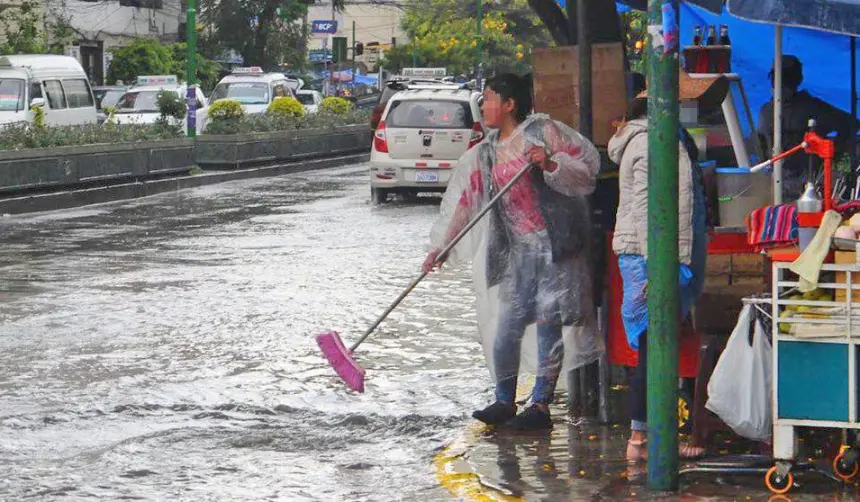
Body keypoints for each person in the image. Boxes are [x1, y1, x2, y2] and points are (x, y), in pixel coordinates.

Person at [423, 73, 603, 431]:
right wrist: (443, 246)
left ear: (509, 104)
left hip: (553, 250)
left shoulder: (542, 133)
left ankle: (540, 405)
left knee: (549, 325)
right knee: (506, 327)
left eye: (489, 98)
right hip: (515, 254)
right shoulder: (486, 152)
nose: (483, 105)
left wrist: (550, 163)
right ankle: (504, 400)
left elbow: (585, 173)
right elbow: (468, 201)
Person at [608, 71, 728, 462]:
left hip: (655, 256)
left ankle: (647, 435)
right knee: (652, 345)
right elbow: (649, 209)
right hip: (650, 257)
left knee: (656, 344)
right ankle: (641, 439)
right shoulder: (651, 142)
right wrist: (659, 267)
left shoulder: (669, 138)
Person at [757, 55, 857, 201]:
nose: (781, 83)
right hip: (772, 185)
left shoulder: (812, 108)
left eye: (787, 78)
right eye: (777, 78)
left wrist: (833, 153)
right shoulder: (765, 112)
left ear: (798, 80)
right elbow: (759, 147)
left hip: (808, 187)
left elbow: (850, 124)